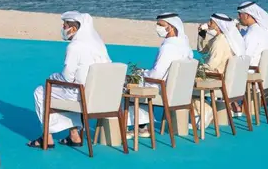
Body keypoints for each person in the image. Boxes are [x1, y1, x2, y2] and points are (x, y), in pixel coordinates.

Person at [27, 12, 110, 149]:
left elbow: (67, 77)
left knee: (41, 91)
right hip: (98, 95)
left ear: (73, 28)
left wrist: (52, 77)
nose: (63, 28)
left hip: (80, 95)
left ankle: (47, 136)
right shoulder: (99, 46)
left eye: (65, 25)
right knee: (67, 90)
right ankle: (74, 134)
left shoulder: (75, 46)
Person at [126, 13, 193, 136]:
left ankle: (134, 126)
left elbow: (157, 74)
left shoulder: (168, 47)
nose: (157, 27)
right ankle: (142, 126)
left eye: (160, 24)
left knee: (128, 86)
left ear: (170, 27)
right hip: (181, 91)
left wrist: (142, 73)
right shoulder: (185, 45)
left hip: (163, 88)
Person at [195, 13, 244, 127]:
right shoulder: (220, 38)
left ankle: (206, 110)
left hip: (216, 77)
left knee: (184, 83)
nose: (208, 24)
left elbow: (211, 65)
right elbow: (202, 50)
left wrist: (196, 69)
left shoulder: (219, 42)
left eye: (211, 22)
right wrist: (201, 34)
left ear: (218, 25)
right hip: (222, 76)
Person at [236, 1, 268, 66]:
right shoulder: (264, 31)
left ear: (247, 15)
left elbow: (245, 59)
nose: (238, 17)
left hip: (252, 72)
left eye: (240, 14)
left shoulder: (251, 35)